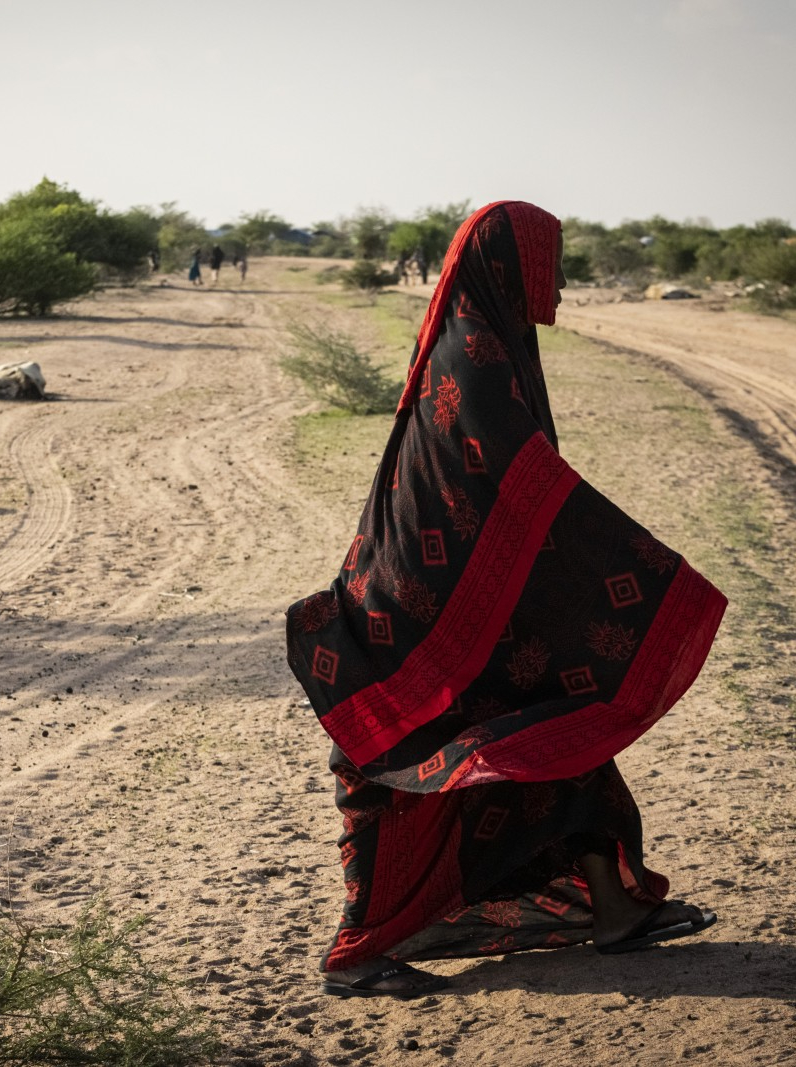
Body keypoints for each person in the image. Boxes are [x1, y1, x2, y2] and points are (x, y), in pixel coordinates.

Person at [285, 201, 727, 998]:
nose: (550, 281)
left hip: (460, 600)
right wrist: (634, 561)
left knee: (556, 730)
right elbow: (516, 477)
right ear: (504, 264)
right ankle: (357, 953)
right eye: (542, 263)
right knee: (405, 771)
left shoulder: (492, 340)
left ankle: (615, 908)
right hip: (420, 609)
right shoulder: (474, 350)